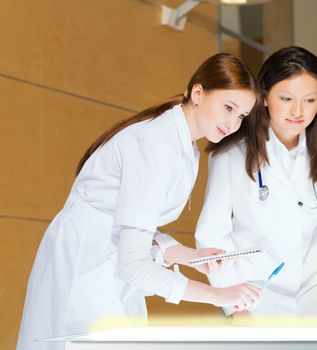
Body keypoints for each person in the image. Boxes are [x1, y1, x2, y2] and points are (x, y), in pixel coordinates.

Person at [17, 53, 261, 350]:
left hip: (104, 265)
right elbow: (133, 264)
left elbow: (132, 223)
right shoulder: (158, 144)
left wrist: (186, 255)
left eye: (241, 116)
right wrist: (220, 296)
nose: (233, 122)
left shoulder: (182, 143)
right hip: (86, 266)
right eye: (228, 107)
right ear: (198, 93)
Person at [195, 46, 317, 321]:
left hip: (315, 285)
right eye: (286, 98)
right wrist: (234, 303)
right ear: (264, 97)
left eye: (310, 100)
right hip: (257, 291)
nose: (298, 111)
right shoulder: (231, 153)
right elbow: (212, 235)